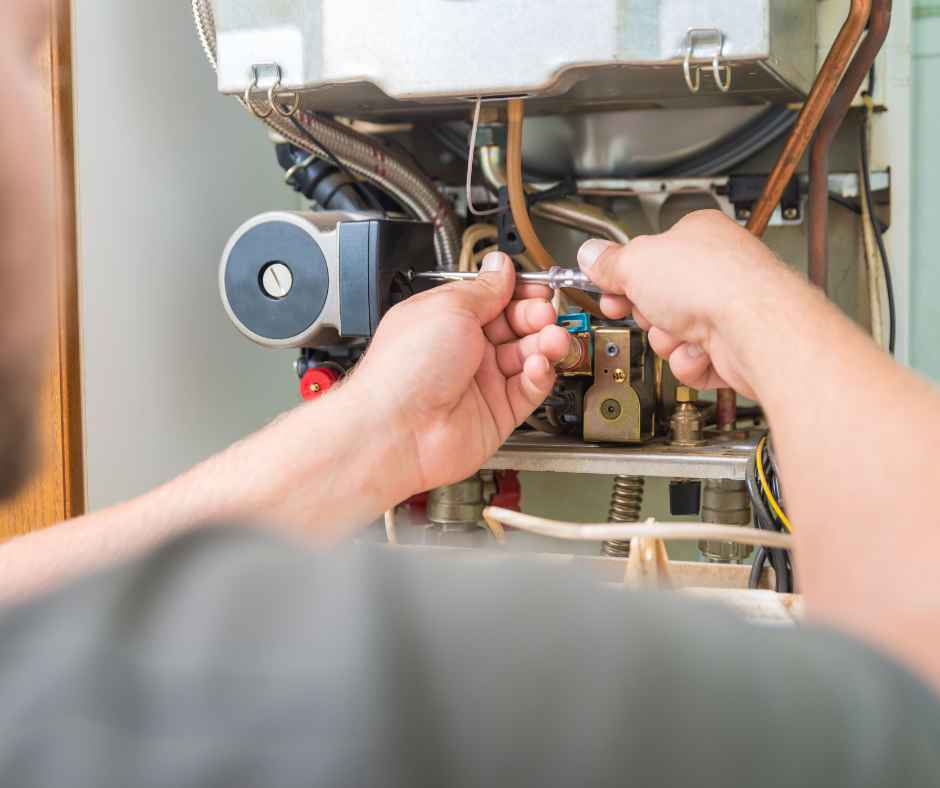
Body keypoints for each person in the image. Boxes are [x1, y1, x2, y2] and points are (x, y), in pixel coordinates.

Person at [0, 2, 937, 785]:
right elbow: (916, 697)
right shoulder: (392, 675)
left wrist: (380, 431)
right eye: (29, 53)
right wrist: (762, 310)